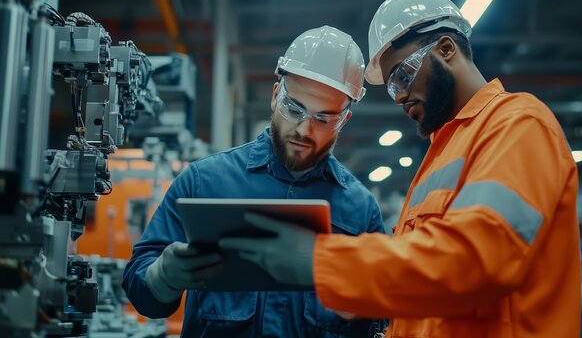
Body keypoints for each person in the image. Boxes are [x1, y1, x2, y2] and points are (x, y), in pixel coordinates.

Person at [220, 0, 581, 337]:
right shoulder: (441, 153)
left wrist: (319, 260)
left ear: (446, 49)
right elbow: (425, 290)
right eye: (392, 86)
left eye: (403, 76)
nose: (400, 96)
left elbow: (474, 261)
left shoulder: (518, 125)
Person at [122, 25, 387, 337]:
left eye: (323, 119)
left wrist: (367, 307)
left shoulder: (360, 210)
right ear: (276, 97)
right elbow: (142, 293)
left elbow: (380, 321)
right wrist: (161, 278)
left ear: (344, 120)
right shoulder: (204, 183)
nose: (304, 129)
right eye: (294, 108)